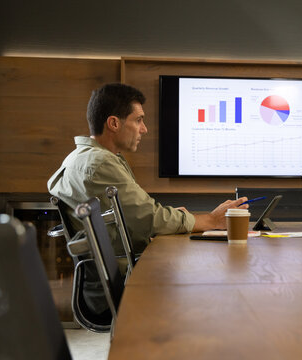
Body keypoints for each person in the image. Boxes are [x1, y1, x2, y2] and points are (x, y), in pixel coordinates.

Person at [48, 83, 248, 315]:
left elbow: (137, 213)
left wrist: (178, 218)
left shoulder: (83, 157)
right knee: (216, 279)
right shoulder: (100, 163)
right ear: (114, 123)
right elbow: (149, 218)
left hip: (114, 275)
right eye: (138, 120)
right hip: (123, 281)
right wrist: (211, 221)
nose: (144, 129)